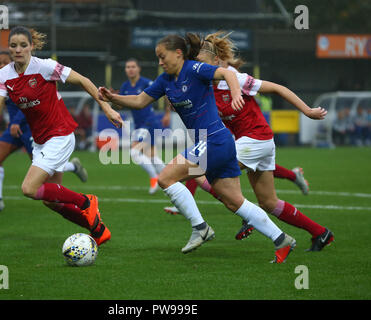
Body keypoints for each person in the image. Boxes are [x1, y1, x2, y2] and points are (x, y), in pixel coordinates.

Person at [99, 33, 296, 263]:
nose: (160, 62)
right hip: (217, 143)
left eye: (163, 56)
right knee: (234, 202)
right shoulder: (164, 81)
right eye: (158, 58)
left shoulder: (194, 69)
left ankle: (200, 227)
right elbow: (140, 101)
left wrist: (235, 95)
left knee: (166, 178)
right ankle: (281, 239)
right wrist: (113, 98)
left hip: (213, 140)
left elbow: (226, 73)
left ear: (178, 53)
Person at [164, 31, 333, 251]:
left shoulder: (235, 79)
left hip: (256, 140)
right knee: (269, 202)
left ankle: (243, 214)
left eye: (203, 63)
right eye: (197, 63)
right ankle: (321, 233)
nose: (199, 68)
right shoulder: (205, 87)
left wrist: (308, 111)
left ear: (216, 62)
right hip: (257, 142)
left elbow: (278, 88)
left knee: (200, 173)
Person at [0, 26, 123, 245]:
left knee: (29, 189)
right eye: (13, 45)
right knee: (51, 201)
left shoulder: (45, 66)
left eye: (23, 45)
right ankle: (98, 229)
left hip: (60, 134)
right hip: (40, 140)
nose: (18, 49)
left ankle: (87, 201)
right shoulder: (4, 74)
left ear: (31, 46)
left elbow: (84, 80)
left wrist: (106, 108)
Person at [0, 50, 89, 213]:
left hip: (30, 128)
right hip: (13, 129)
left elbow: (31, 104)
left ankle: (72, 169)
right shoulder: (4, 78)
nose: (1, 65)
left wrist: (16, 122)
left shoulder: (31, 74)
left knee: (40, 171)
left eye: (4, 62)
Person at [119, 58, 166, 194]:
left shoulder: (146, 83)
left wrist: (167, 113)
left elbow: (164, 94)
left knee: (134, 152)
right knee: (151, 156)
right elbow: (120, 105)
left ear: (139, 68)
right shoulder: (125, 86)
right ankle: (170, 179)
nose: (131, 69)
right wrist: (112, 97)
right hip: (139, 125)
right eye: (128, 67)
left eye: (133, 66)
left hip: (149, 122)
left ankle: (155, 178)